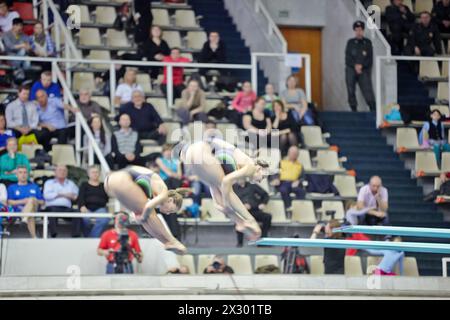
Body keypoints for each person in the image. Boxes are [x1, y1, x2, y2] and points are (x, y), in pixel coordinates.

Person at [179, 137, 270, 240]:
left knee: (219, 203)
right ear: (259, 168)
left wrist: (224, 203)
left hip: (191, 154)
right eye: (263, 177)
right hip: (199, 150)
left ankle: (240, 223)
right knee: (227, 195)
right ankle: (250, 221)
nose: (261, 180)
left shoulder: (238, 164)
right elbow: (226, 181)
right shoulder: (251, 167)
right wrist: (227, 202)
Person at [103, 165, 188, 254]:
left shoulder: (149, 196)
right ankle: (173, 241)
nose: (167, 213)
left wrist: (141, 217)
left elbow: (139, 217)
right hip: (120, 178)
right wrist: (143, 217)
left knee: (145, 216)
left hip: (110, 183)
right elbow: (147, 208)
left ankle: (167, 242)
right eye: (170, 210)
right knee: (149, 213)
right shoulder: (164, 192)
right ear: (170, 200)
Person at [345, 21, 376, 112]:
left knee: (367, 89)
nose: (359, 32)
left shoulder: (367, 42)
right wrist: (355, 66)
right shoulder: (350, 42)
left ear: (363, 30)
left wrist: (361, 66)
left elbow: (369, 58)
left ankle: (372, 109)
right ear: (354, 31)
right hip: (351, 69)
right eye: (357, 30)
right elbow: (348, 58)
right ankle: (353, 108)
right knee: (350, 89)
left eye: (360, 30)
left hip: (364, 70)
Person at [43, 164, 80, 238]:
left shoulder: (71, 184)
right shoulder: (49, 183)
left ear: (67, 173)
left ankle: (75, 235)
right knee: (51, 211)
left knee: (77, 213)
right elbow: (47, 196)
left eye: (64, 170)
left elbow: (76, 196)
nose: (62, 172)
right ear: (55, 172)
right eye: (60, 170)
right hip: (52, 207)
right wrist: (65, 195)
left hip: (66, 208)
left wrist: (57, 194)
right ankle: (53, 235)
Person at [7, 166, 43, 238]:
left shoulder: (34, 186)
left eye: (25, 172)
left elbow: (42, 202)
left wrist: (32, 200)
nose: (23, 175)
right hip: (20, 210)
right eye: (20, 172)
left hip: (34, 207)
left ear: (28, 174)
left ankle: (24, 218)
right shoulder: (12, 187)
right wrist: (23, 201)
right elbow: (9, 202)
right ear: (16, 175)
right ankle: (34, 237)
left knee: (32, 199)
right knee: (30, 214)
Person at [233, 179, 272, 247]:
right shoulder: (233, 188)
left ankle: (262, 241)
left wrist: (263, 203)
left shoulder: (252, 186)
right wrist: (242, 206)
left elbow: (265, 195)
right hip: (241, 212)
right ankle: (239, 243)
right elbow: (230, 201)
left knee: (267, 217)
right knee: (238, 221)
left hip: (254, 210)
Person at [270, 145, 305, 214]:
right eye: (292, 153)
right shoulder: (282, 162)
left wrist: (298, 181)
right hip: (283, 182)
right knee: (284, 190)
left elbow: (303, 177)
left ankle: (299, 210)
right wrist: (276, 179)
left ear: (297, 155)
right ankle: (288, 208)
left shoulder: (300, 165)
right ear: (288, 153)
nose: (293, 155)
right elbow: (274, 173)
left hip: (294, 183)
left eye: (295, 153)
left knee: (301, 191)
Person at [78, 165, 110, 238]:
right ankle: (91, 238)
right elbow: (80, 197)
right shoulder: (84, 185)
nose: (95, 174)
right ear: (88, 174)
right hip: (87, 208)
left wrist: (109, 179)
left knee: (104, 220)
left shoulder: (103, 185)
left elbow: (108, 196)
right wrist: (82, 206)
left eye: (97, 172)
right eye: (93, 172)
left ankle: (90, 238)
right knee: (85, 220)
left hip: (100, 209)